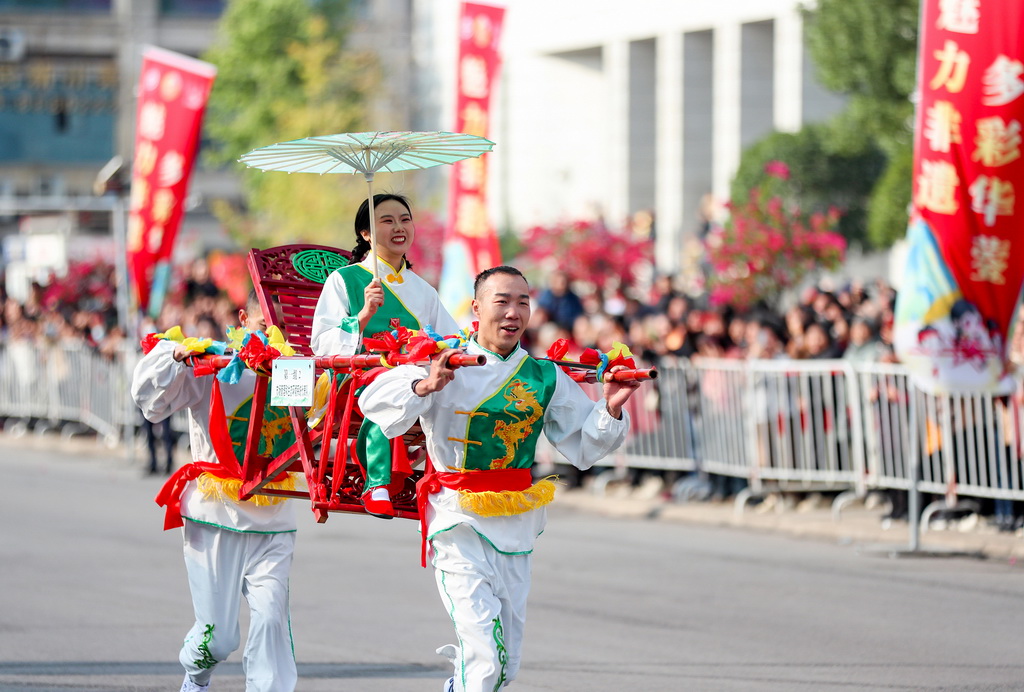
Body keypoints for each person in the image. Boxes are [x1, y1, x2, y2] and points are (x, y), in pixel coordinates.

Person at [358, 266, 641, 692]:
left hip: (516, 526)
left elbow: (585, 445)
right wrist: (425, 385)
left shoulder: (544, 375)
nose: (513, 312)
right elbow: (374, 401)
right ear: (476, 308)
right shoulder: (443, 358)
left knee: (504, 667)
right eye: (502, 301)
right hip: (456, 522)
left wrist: (612, 408)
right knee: (485, 660)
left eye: (522, 302)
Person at [131, 293, 299, 692]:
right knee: (218, 640)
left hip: (273, 517)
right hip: (215, 513)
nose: (275, 332)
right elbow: (148, 400)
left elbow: (305, 431)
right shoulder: (215, 364)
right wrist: (176, 354)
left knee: (271, 620)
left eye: (283, 325)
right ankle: (195, 677)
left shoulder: (294, 370)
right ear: (243, 318)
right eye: (266, 322)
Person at [311, 193, 461, 518]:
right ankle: (376, 482)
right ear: (366, 233)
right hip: (356, 378)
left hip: (416, 375)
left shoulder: (423, 290)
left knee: (458, 384)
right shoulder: (344, 280)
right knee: (395, 383)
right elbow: (322, 343)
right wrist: (363, 315)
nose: (399, 227)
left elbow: (451, 338)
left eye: (405, 220)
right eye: (387, 221)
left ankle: (453, 474)